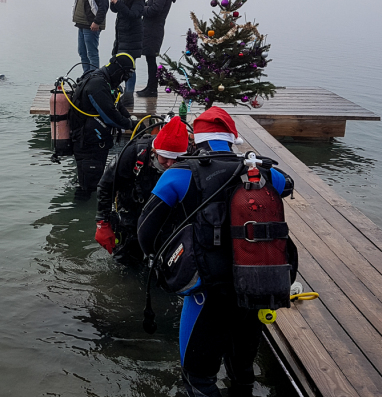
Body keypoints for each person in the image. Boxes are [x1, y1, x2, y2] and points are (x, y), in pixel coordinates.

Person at [136, 107, 295, 397]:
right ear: (233, 138)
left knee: (198, 378)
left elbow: (145, 231)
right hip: (257, 286)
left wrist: (165, 266)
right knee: (243, 372)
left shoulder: (181, 173)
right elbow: (288, 187)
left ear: (196, 139)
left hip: (206, 293)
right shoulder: (266, 172)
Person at [95, 116, 189, 264]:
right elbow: (106, 186)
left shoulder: (191, 157)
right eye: (165, 158)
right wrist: (102, 224)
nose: (170, 164)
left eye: (176, 159)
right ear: (154, 151)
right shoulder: (134, 153)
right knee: (126, 262)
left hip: (167, 217)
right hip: (132, 214)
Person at [68, 53, 136, 201]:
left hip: (94, 141)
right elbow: (109, 115)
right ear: (118, 70)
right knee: (88, 187)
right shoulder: (97, 85)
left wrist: (131, 119)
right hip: (87, 143)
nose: (123, 80)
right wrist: (130, 124)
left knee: (91, 181)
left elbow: (116, 105)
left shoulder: (105, 80)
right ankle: (79, 218)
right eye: (124, 76)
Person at [137, 0, 184, 98]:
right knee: (150, 59)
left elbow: (154, 10)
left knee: (151, 60)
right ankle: (150, 87)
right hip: (154, 30)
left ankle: (152, 89)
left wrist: (141, 9)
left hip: (152, 31)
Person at [109, 0, 145, 108]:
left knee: (129, 67)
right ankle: (122, 93)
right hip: (121, 35)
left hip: (132, 36)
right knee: (119, 65)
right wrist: (114, 3)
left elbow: (133, 14)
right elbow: (117, 9)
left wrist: (119, 4)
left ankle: (129, 95)